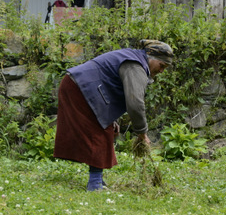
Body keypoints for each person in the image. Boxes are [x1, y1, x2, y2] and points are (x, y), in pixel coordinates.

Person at [53, 39, 174, 191]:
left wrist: (112, 118)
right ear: (151, 57)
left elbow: (110, 85)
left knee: (104, 129)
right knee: (100, 132)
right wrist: (142, 133)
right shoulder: (135, 66)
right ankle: (95, 184)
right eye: (161, 65)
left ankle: (98, 180)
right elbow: (135, 103)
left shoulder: (135, 60)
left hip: (79, 85)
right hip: (80, 87)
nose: (162, 71)